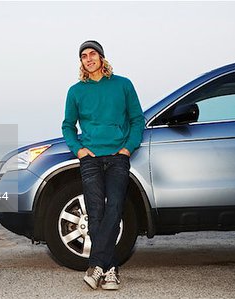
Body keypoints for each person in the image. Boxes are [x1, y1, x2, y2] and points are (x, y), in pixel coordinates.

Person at [61, 40, 145, 290]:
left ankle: (96, 265)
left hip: (118, 156)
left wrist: (127, 148)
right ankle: (110, 270)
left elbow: (137, 119)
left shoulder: (123, 85)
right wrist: (79, 150)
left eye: (92, 54)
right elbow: (68, 125)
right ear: (81, 62)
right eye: (83, 56)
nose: (88, 59)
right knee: (95, 212)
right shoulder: (75, 91)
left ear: (101, 57)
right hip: (90, 159)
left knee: (115, 208)